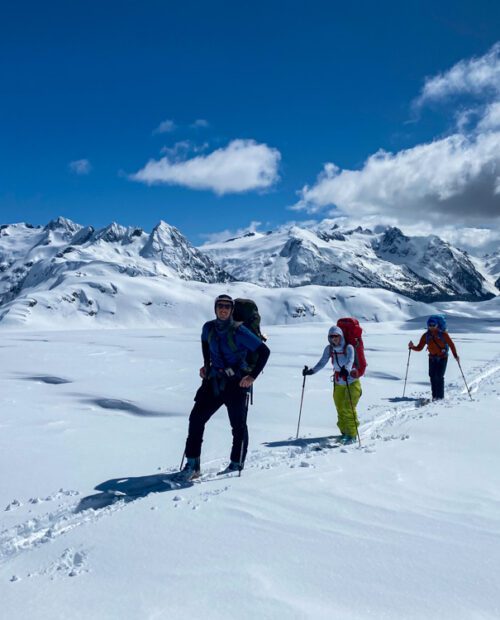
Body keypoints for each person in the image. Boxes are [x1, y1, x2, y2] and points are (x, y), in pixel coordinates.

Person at [180, 294, 270, 480]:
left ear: (231, 310)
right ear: (215, 308)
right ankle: (192, 464)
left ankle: (236, 463)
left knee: (238, 426)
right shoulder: (208, 328)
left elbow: (264, 352)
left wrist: (251, 377)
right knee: (196, 419)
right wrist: (206, 365)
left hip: (236, 383)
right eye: (220, 306)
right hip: (214, 381)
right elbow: (205, 344)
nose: (223, 309)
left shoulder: (240, 330)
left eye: (227, 306)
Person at [303, 325, 361, 445]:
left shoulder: (348, 347)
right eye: (331, 336)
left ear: (341, 336)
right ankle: (345, 432)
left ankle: (352, 434)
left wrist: (347, 369)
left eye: (336, 336)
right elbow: (322, 362)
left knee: (348, 407)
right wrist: (311, 371)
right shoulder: (330, 349)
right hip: (338, 381)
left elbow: (350, 360)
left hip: (352, 382)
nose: (334, 338)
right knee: (340, 407)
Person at [408, 316, 459, 400]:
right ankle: (434, 396)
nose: (431, 327)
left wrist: (455, 356)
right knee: (432, 376)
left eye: (433, 325)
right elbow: (420, 347)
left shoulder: (443, 334)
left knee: (439, 376)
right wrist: (412, 347)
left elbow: (451, 345)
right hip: (432, 358)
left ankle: (440, 397)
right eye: (430, 325)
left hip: (443, 357)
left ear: (437, 325)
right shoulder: (426, 336)